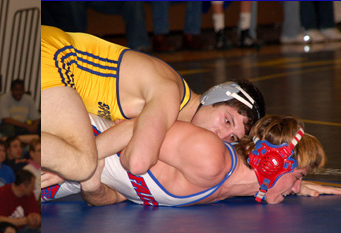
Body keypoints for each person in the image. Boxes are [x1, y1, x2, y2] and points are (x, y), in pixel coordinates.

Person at [41, 26, 265, 183]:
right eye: (227, 121)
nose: (221, 136)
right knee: (82, 165)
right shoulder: (170, 94)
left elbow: (120, 140)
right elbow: (137, 162)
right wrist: (71, 165)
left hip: (57, 66)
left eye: (232, 138)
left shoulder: (169, 118)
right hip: (55, 55)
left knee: (77, 159)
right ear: (213, 96)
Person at [42, 113, 339, 206]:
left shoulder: (227, 187)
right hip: (74, 138)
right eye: (298, 176)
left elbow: (122, 190)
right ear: (273, 164)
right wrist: (78, 161)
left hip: (82, 169)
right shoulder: (210, 157)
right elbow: (137, 127)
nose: (295, 187)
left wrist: (297, 184)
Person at [0, 169, 40, 233]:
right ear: (22, 186)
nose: (34, 188)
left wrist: (36, 219)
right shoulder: (1, 193)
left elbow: (36, 215)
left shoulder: (30, 195)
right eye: (32, 186)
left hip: (23, 231)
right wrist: (25, 221)